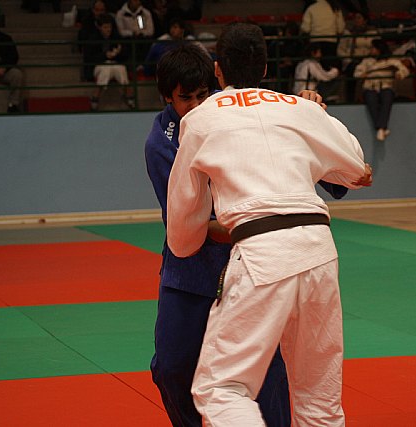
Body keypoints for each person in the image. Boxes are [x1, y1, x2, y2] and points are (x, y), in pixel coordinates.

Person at [166, 23, 372, 426]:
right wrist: (319, 118)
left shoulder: (201, 119)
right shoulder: (300, 108)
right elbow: (358, 170)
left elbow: (183, 222)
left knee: (220, 389)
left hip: (261, 254)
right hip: (319, 251)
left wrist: (186, 242)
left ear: (218, 70)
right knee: (320, 399)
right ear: (264, 68)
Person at [145, 42, 291, 427]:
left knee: (265, 369)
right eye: (185, 98)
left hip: (248, 267)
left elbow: (278, 120)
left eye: (202, 94)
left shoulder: (231, 115)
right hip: (190, 267)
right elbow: (188, 226)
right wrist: (255, 224)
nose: (196, 105)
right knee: (172, 367)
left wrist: (305, 104)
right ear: (167, 97)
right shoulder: (162, 143)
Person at [354, 39, 409, 141]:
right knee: (371, 100)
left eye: (374, 48)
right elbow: (356, 73)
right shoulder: (367, 61)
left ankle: (380, 128)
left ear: (380, 49)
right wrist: (362, 74)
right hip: (370, 87)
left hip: (386, 86)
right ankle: (382, 127)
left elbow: (404, 70)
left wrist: (399, 74)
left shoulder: (391, 61)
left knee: (387, 99)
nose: (372, 50)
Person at [84, 14, 134, 110]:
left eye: (109, 27)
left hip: (115, 63)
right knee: (106, 69)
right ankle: (96, 95)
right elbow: (90, 58)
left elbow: (125, 55)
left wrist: (117, 53)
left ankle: (128, 94)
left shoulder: (116, 37)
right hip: (99, 65)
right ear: (99, 27)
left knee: (120, 68)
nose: (108, 30)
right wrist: (105, 55)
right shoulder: (93, 39)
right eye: (105, 27)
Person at [300, 0, 345, 70]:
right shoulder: (335, 9)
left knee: (316, 67)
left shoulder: (311, 8)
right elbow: (340, 29)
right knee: (329, 67)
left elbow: (305, 28)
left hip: (315, 42)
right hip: (331, 42)